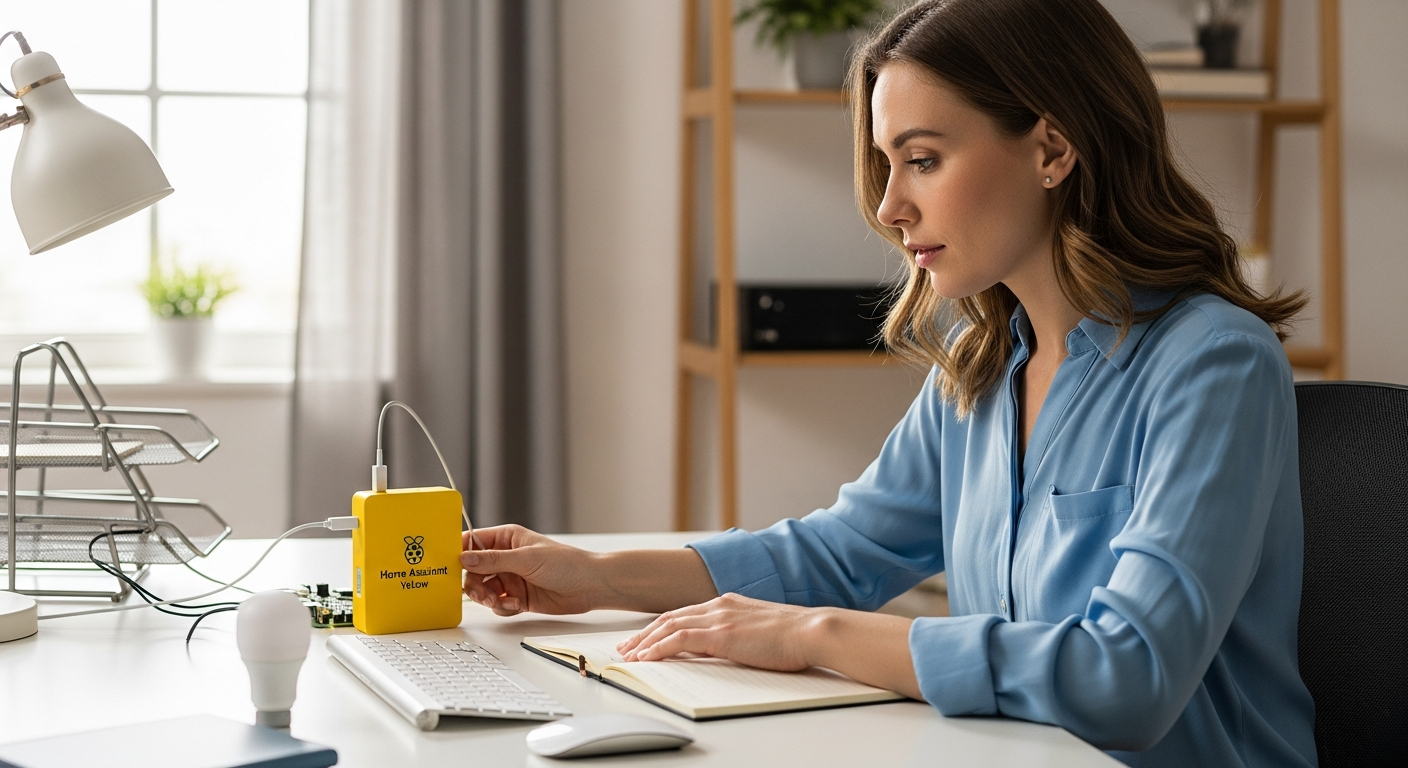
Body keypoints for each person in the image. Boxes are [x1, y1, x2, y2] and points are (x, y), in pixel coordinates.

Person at [459, 1, 1318, 765]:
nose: (888, 206)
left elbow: (1126, 677)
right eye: (886, 162)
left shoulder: (1213, 363)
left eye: (924, 159)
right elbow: (839, 553)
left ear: (1052, 148)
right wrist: (595, 576)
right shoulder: (981, 370)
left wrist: (811, 636)